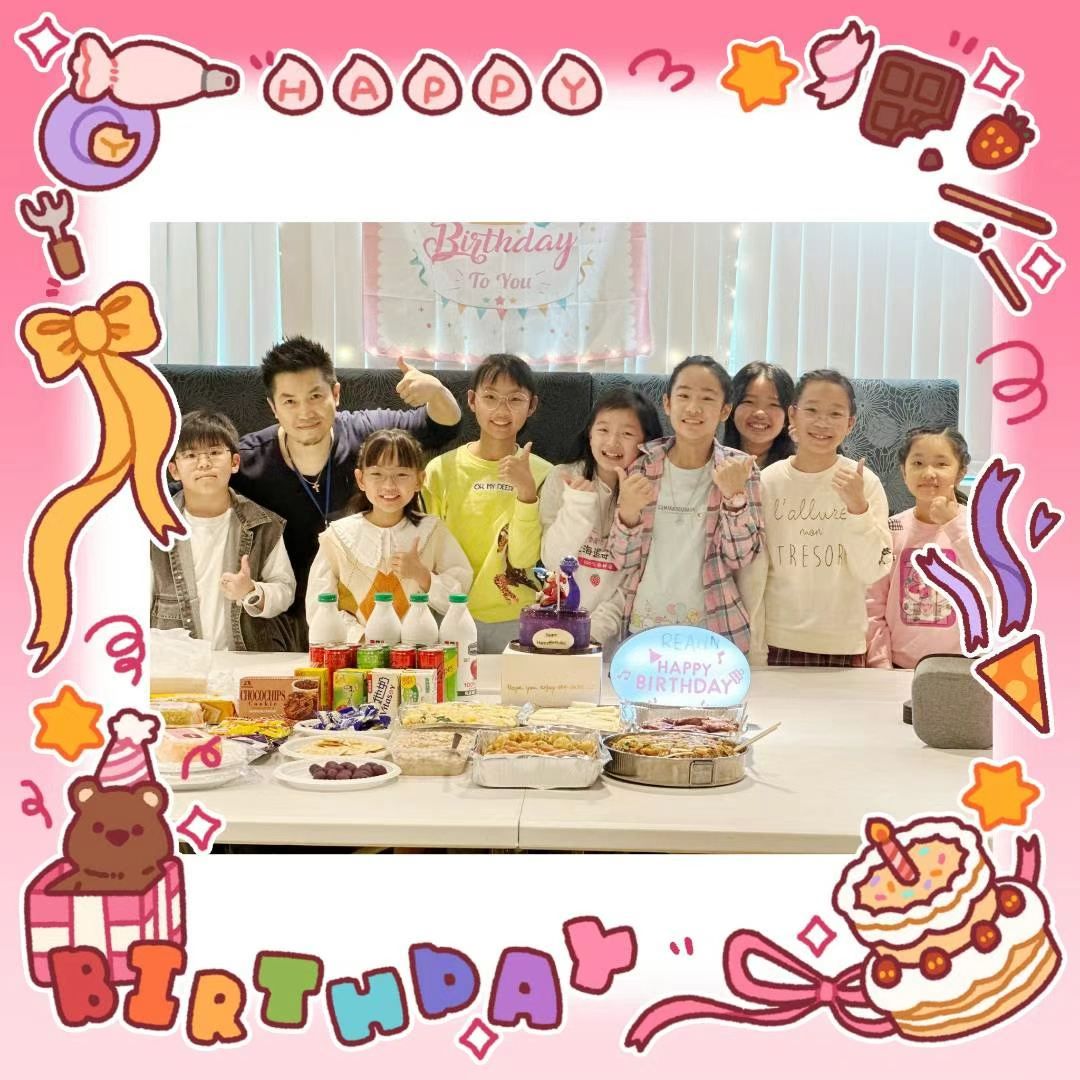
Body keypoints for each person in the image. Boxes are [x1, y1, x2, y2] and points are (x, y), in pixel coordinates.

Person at [231, 336, 462, 647]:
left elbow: (441, 426)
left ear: (336, 394)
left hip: (363, 614)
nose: (305, 412)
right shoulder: (247, 459)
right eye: (290, 401)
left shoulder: (367, 434)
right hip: (279, 613)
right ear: (273, 407)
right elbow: (183, 491)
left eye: (315, 396)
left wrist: (436, 391)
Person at [610, 356, 764, 652]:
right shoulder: (642, 466)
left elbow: (740, 558)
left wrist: (734, 497)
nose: (693, 408)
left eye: (707, 398)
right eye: (683, 396)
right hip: (643, 625)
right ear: (667, 404)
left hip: (714, 628)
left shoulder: (740, 469)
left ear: (725, 410)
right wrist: (627, 513)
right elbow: (622, 562)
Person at [752, 369, 892, 666]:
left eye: (835, 413)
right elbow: (755, 570)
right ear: (793, 415)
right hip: (777, 638)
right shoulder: (768, 482)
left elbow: (874, 570)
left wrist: (858, 508)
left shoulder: (865, 483)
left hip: (843, 642)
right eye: (812, 410)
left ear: (850, 423)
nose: (822, 422)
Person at [423, 354, 553, 653]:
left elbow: (524, 560)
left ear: (532, 405)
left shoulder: (546, 474)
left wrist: (526, 494)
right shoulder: (440, 470)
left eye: (515, 399)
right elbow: (429, 553)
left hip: (518, 617)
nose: (502, 410)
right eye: (490, 397)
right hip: (449, 612)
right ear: (472, 400)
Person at [305, 429, 472, 643]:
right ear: (361, 479)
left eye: (401, 474)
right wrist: (362, 638)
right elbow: (318, 608)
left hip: (416, 652)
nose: (389, 486)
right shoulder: (337, 537)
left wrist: (423, 575)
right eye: (377, 474)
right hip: (355, 653)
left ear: (419, 479)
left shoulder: (432, 531)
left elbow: (458, 598)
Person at [151, 410, 295, 650]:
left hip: (246, 660)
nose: (204, 463)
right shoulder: (152, 528)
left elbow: (285, 589)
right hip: (177, 661)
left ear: (235, 462)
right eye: (191, 455)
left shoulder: (263, 524)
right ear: (174, 470)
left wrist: (251, 590)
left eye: (215, 452)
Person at [539, 387, 663, 649]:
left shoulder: (653, 491)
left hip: (619, 636)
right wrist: (577, 506)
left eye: (627, 434)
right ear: (590, 433)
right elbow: (552, 561)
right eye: (603, 429)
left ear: (646, 441)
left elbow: (638, 577)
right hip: (558, 626)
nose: (612, 442)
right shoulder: (562, 477)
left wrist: (594, 631)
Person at [866, 427, 987, 668]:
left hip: (961, 667)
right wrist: (881, 663)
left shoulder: (979, 527)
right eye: (918, 463)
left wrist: (953, 525)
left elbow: (988, 587)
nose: (929, 473)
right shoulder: (891, 529)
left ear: (961, 472)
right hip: (898, 667)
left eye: (941, 464)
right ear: (904, 472)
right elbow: (873, 604)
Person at [723, 361, 796, 468]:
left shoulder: (799, 468)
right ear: (731, 409)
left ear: (787, 416)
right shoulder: (712, 461)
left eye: (773, 404)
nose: (760, 413)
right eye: (749, 401)